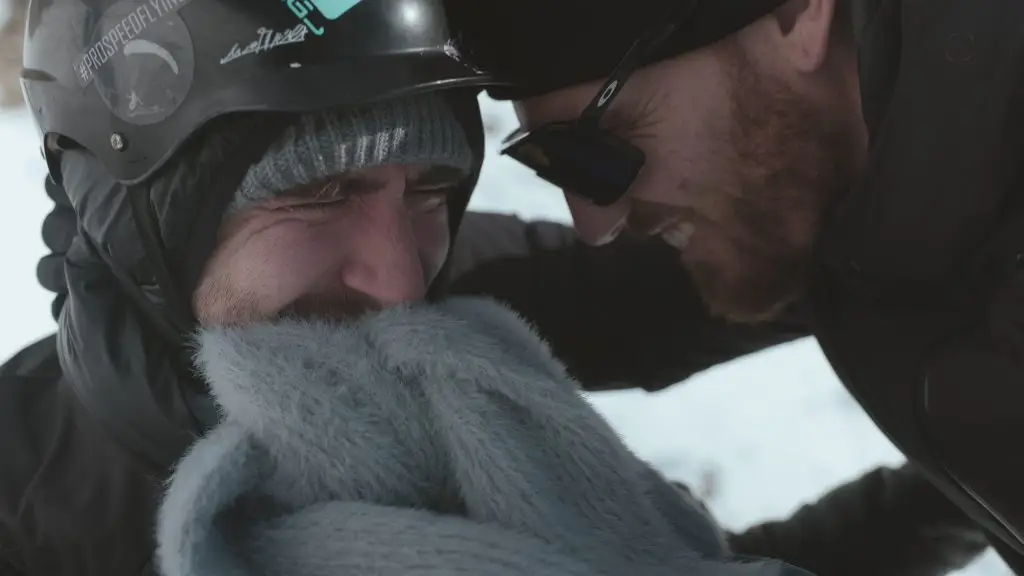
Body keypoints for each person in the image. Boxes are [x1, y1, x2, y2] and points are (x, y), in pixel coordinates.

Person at [0, 0, 988, 575]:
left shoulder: (448, 366)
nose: (399, 279)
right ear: (146, 226)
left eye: (431, 186)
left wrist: (941, 496)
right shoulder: (31, 512)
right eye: (321, 190)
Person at [449, 0, 1024, 571]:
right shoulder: (820, 188)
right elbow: (593, 300)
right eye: (553, 163)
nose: (597, 223)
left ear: (799, 17)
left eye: (599, 144)